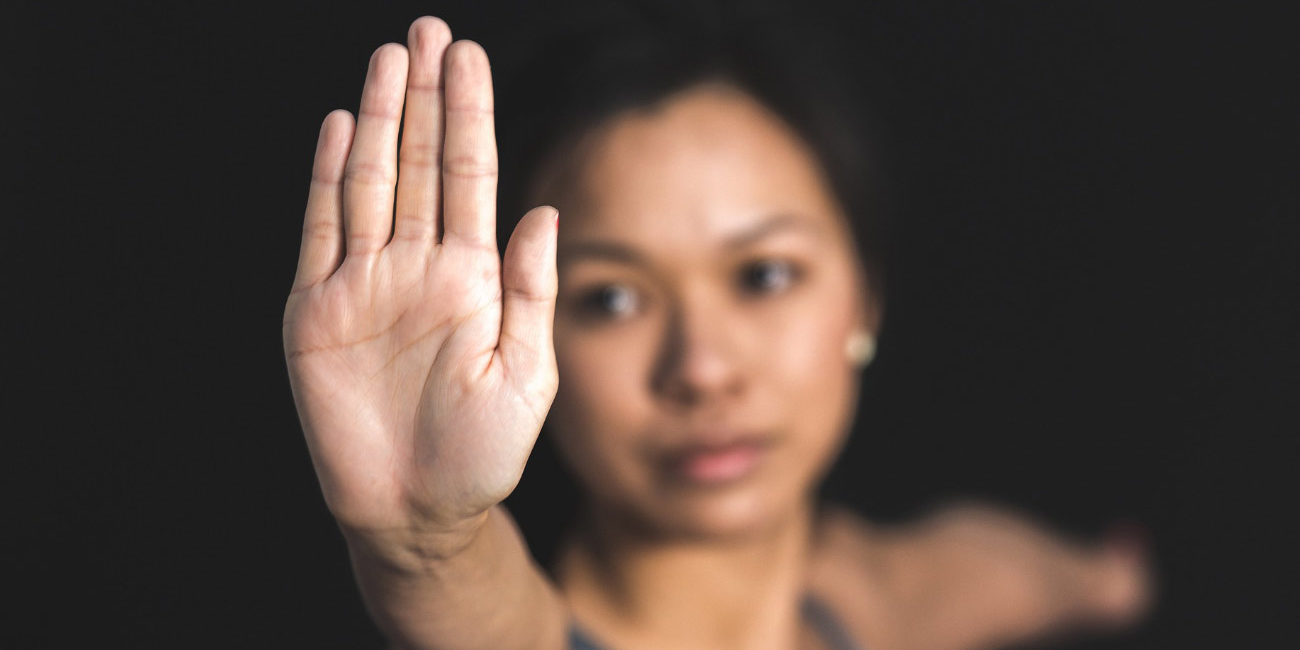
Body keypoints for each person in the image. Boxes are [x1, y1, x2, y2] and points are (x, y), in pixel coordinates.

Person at [282, 12, 1149, 650]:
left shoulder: (882, 593)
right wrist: (423, 539)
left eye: (765, 276)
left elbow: (1006, 573)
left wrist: (1112, 580)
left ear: (866, 299)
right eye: (611, 299)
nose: (701, 368)